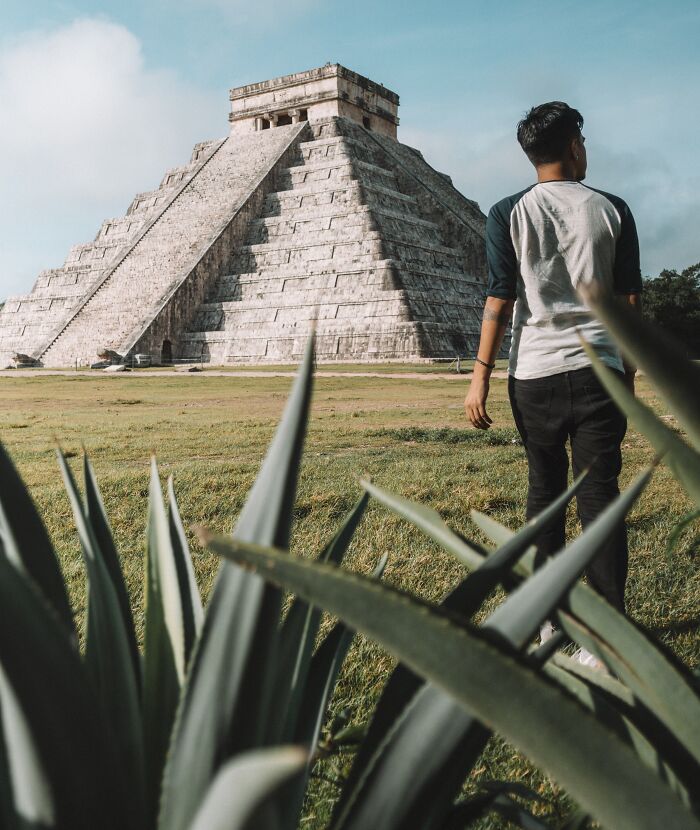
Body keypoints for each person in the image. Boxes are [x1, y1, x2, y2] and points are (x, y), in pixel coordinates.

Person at [464, 101, 642, 622]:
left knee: (544, 494)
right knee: (600, 501)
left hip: (533, 373)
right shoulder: (612, 208)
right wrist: (628, 376)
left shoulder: (506, 212)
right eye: (582, 142)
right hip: (599, 371)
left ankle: (544, 625)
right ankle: (611, 637)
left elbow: (499, 301)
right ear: (573, 145)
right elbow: (630, 302)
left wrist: (479, 381)